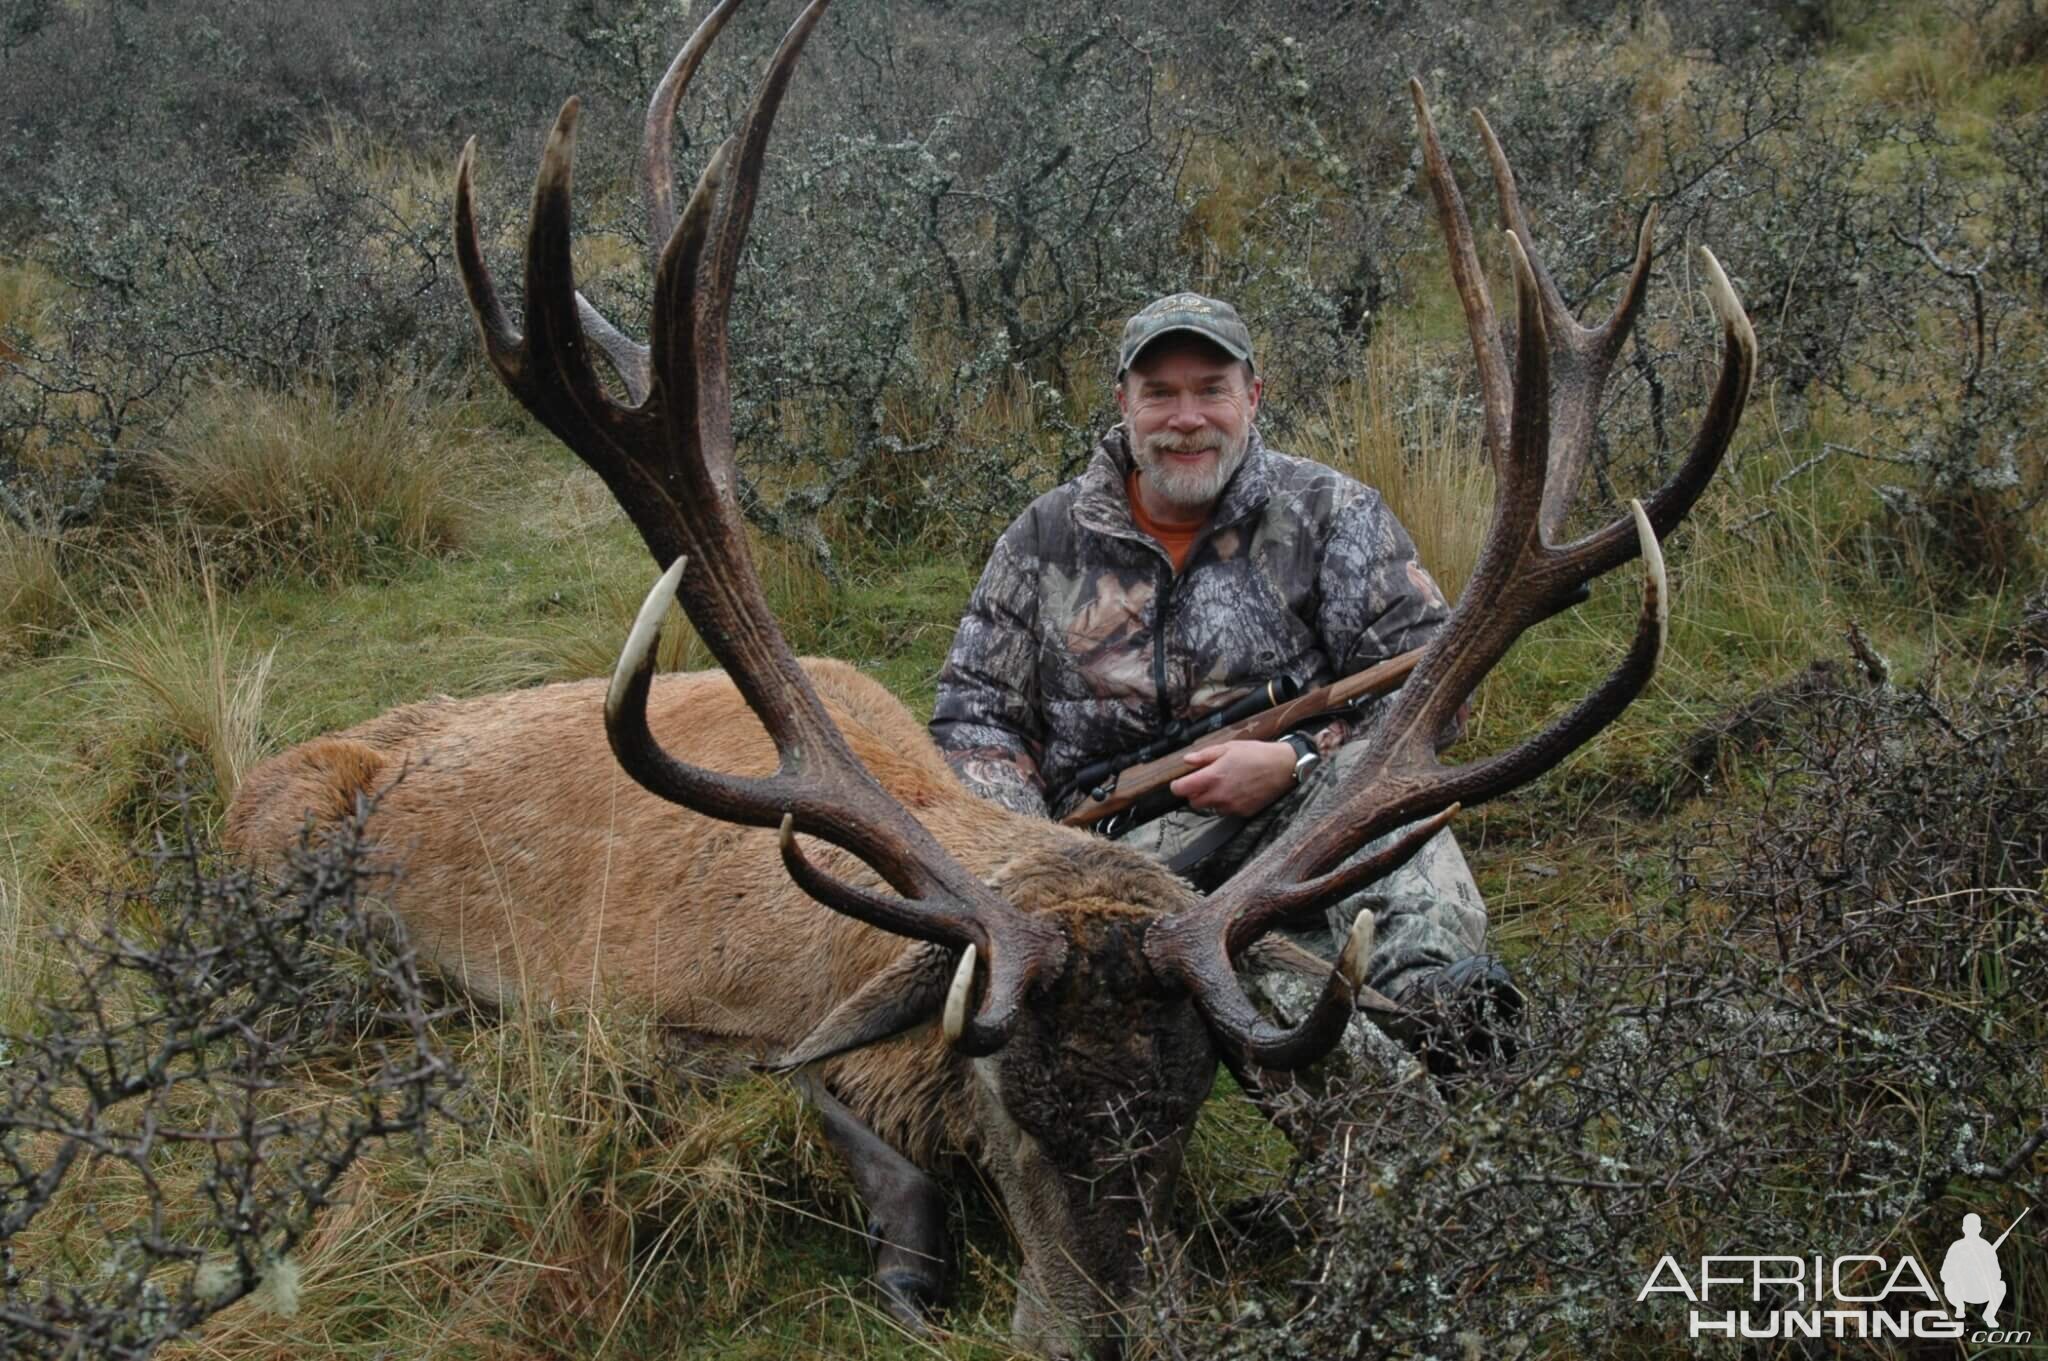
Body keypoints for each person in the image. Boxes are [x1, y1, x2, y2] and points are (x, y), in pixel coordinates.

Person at [930, 291, 1518, 1072]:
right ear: (1123, 405)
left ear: (1252, 396)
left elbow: (1435, 695)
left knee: (1379, 785)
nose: (1187, 418)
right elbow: (974, 719)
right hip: (1105, 863)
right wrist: (1037, 853)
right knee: (1245, 974)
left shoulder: (1331, 513)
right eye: (1161, 394)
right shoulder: (1043, 538)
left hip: (1296, 813)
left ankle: (1436, 1002)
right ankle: (1364, 1093)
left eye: (1211, 388)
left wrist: (1299, 756)